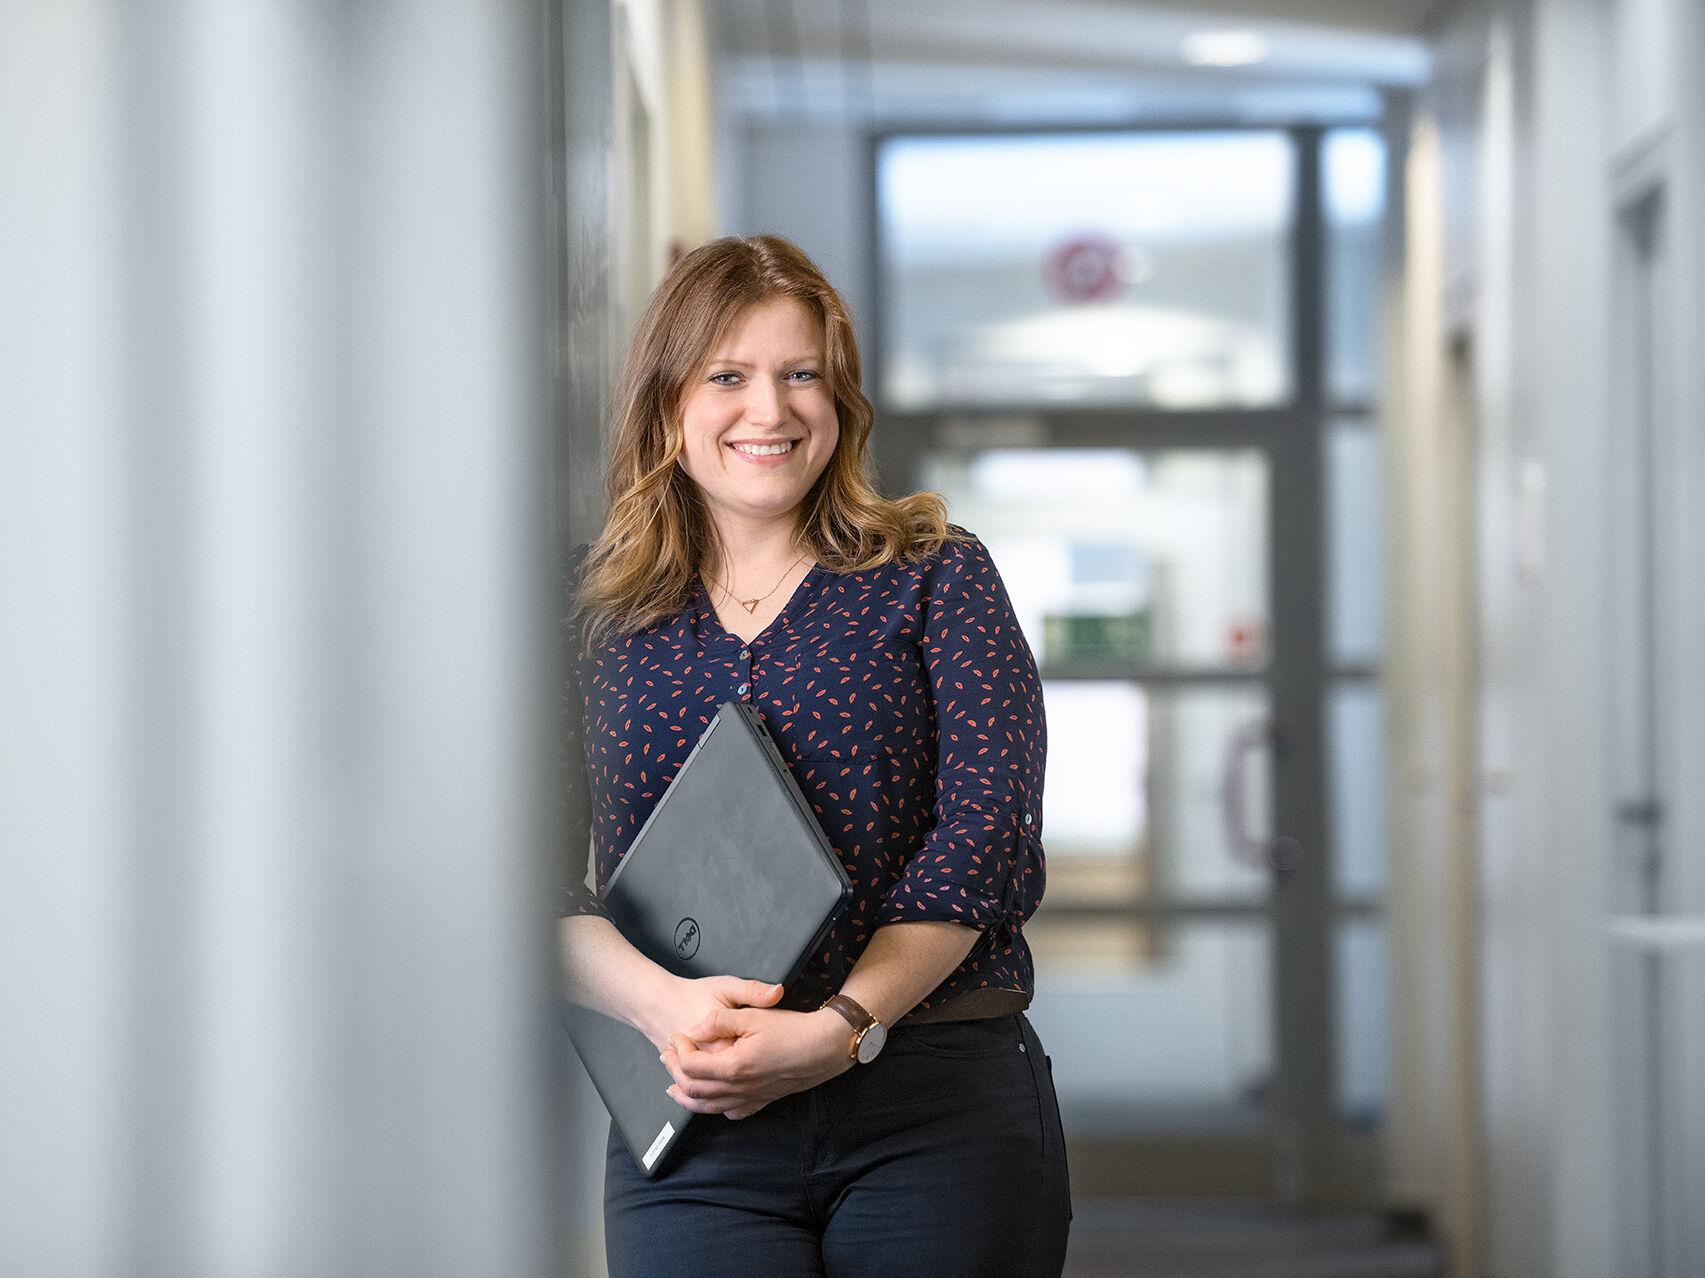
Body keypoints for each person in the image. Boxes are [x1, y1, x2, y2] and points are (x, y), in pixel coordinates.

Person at [557, 234, 1070, 1277]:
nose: (771, 410)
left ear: (840, 403)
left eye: (803, 376)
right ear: (668, 405)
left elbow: (984, 839)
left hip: (930, 1101)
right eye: (728, 376)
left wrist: (840, 1026)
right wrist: (666, 1007)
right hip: (698, 1111)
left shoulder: (935, 577)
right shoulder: (590, 611)